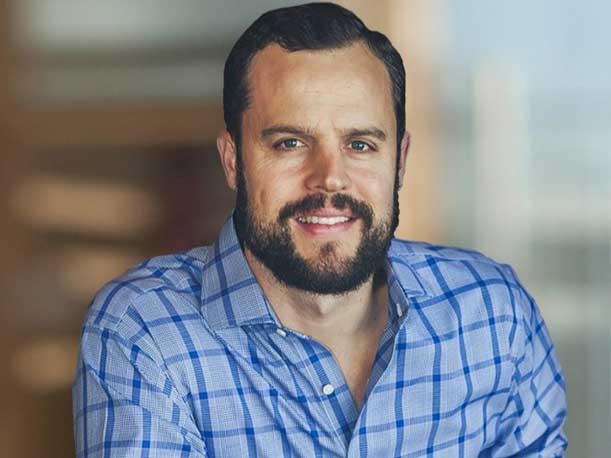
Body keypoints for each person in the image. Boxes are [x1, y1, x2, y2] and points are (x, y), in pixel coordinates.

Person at [72, 3, 568, 457]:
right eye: (290, 143)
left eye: (360, 145)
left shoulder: (493, 317)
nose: (330, 178)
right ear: (233, 160)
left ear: (400, 162)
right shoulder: (147, 331)